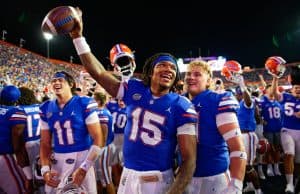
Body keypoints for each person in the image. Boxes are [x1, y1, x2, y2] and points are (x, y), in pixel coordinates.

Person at [68, 8, 198, 194]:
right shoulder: (134, 89)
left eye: (172, 68)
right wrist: (78, 37)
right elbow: (98, 72)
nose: (168, 69)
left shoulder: (182, 105)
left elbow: (189, 160)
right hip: (128, 177)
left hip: (158, 181)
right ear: (150, 71)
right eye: (162, 65)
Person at [184, 60, 246, 194]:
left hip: (214, 177)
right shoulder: (179, 103)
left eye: (197, 74)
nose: (191, 77)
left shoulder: (218, 100)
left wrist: (235, 186)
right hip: (185, 178)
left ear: (208, 81)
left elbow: (237, 148)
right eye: (188, 74)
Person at [39, 71, 105, 194]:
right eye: (53, 80)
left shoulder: (83, 103)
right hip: (58, 160)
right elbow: (45, 143)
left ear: (71, 84)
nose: (56, 82)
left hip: (82, 158)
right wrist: (45, 170)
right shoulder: (45, 107)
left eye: (60, 80)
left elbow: (98, 138)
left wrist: (85, 167)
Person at [269, 62, 300, 193]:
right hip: (287, 130)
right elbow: (274, 93)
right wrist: (275, 77)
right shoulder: (286, 97)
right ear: (291, 89)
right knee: (288, 154)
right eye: (296, 88)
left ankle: (296, 180)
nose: (298, 90)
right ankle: (289, 184)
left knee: (298, 161)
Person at [0, 85, 33, 193]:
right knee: (22, 189)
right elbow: (18, 146)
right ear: (17, 99)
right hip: (4, 157)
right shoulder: (16, 112)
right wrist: (28, 174)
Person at [18, 86, 44, 192]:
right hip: (41, 143)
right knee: (41, 173)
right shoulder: (41, 107)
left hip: (27, 144)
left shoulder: (18, 110)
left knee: (29, 176)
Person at [93, 91, 116, 194]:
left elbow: (104, 130)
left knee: (106, 177)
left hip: (102, 148)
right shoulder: (104, 111)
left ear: (97, 101)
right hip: (100, 147)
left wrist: (99, 147)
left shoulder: (101, 113)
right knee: (97, 177)